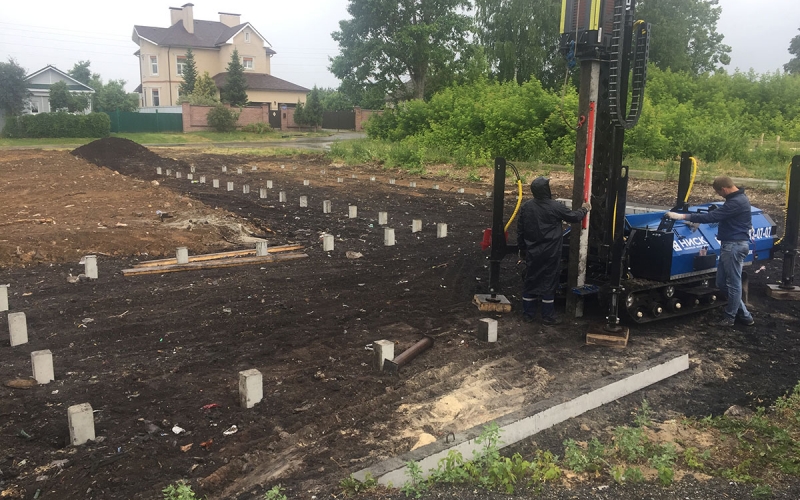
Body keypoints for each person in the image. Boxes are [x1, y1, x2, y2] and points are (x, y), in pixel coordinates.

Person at [666, 175, 755, 327]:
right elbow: (719, 215)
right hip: (729, 245)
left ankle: (730, 318)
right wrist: (699, 220)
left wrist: (681, 216)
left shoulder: (736, 202)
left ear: (724, 189)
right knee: (721, 282)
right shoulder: (737, 199)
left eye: (719, 193)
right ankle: (745, 315)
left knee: (733, 284)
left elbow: (714, 216)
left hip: (734, 246)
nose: (719, 195)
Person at [517, 177, 590, 324]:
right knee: (549, 281)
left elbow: (520, 230)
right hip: (551, 252)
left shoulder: (526, 207)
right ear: (546, 189)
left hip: (533, 251)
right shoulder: (555, 206)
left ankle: (528, 314)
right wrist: (585, 209)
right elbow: (574, 217)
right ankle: (547, 317)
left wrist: (522, 249)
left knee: (531, 280)